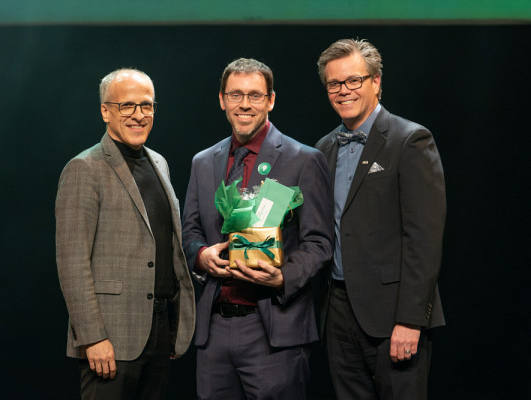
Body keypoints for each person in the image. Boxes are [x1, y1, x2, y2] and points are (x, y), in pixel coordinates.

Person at [182, 58, 334, 400]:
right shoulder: (203, 162)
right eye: (236, 95)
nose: (245, 104)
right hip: (215, 327)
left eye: (254, 95)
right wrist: (203, 256)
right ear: (222, 100)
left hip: (273, 327)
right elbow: (189, 232)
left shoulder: (303, 159)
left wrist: (283, 278)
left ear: (271, 100)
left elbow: (320, 242)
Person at [315, 39, 446, 399]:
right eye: (334, 84)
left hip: (393, 315)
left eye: (353, 80)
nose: (344, 91)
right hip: (338, 310)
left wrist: (411, 320)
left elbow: (424, 239)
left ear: (376, 82)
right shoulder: (325, 148)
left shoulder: (410, 140)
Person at [55, 68, 195, 400]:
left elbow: (168, 247)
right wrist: (92, 337)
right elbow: (72, 262)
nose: (139, 115)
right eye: (126, 106)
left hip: (158, 332)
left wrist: (173, 326)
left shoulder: (159, 163)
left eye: (146, 106)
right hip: (111, 339)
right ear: (105, 110)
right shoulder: (85, 168)